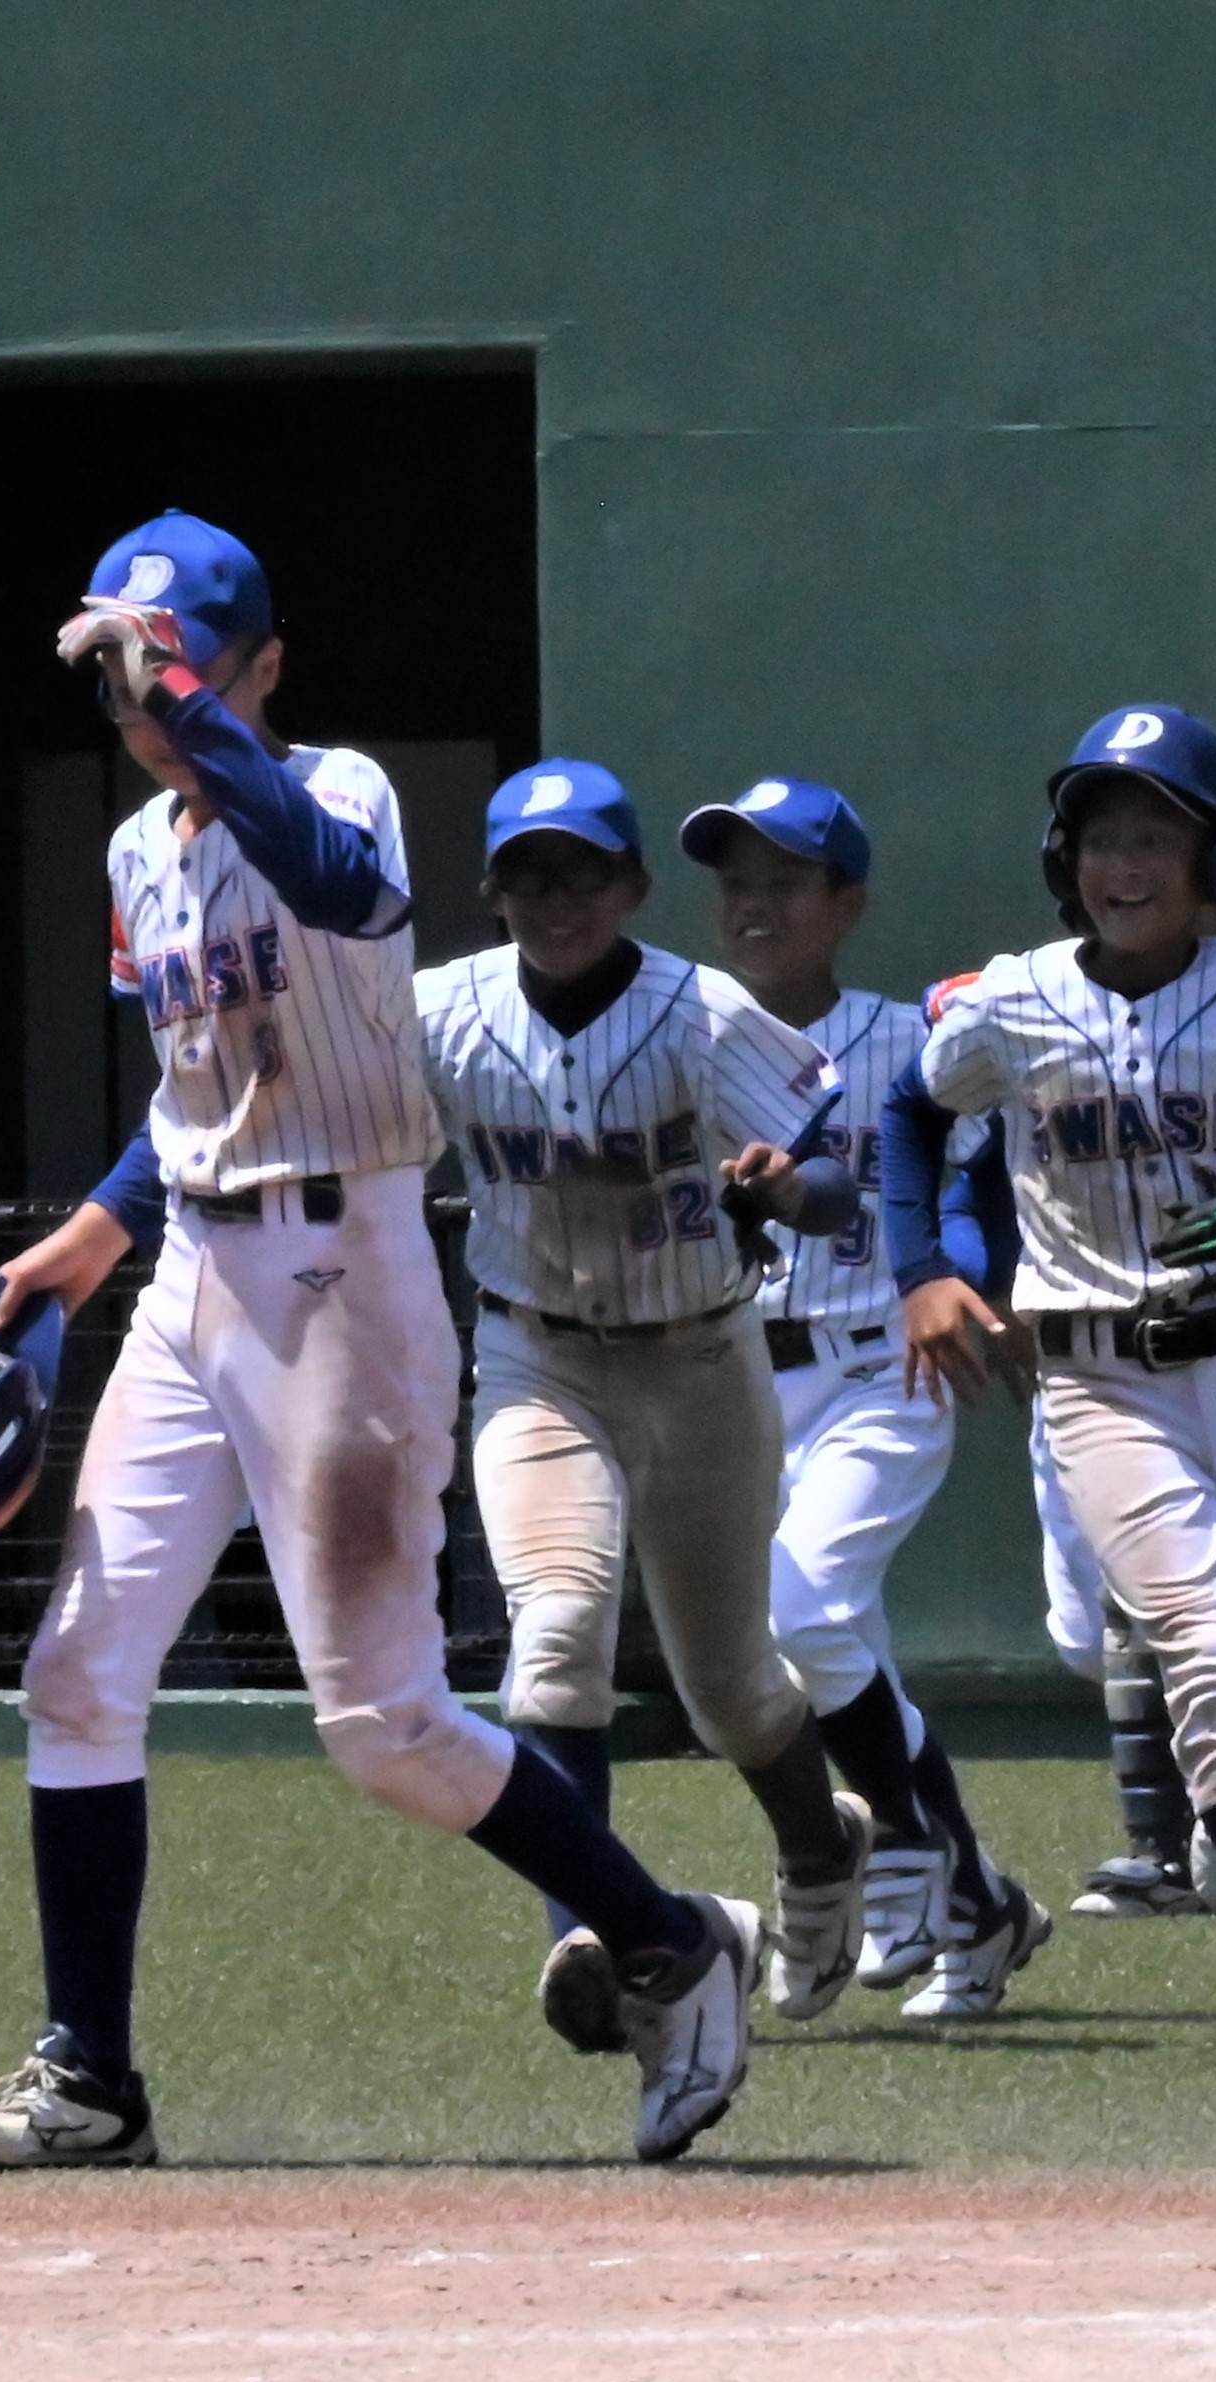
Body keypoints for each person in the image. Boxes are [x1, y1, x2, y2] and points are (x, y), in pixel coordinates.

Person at [0, 515, 763, 2172]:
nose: (141, 700)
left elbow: (315, 870)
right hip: (195, 1271)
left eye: (175, 663)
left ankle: (664, 1941)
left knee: (380, 1724)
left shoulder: (343, 788)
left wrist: (186, 703)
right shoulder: (132, 854)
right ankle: (90, 2076)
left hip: (339, 1274)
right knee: (76, 1669)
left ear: (260, 667)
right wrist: (100, 1226)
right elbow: (189, 1089)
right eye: (121, 666)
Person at [883, 706, 1216, 2068]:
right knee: (1205, 1647)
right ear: (1065, 858)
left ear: (1212, 854)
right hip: (1098, 1380)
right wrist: (918, 1268)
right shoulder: (1013, 997)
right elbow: (912, 1108)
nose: (1125, 864)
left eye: (1156, 836)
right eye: (1102, 836)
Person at [417, 763, 877, 2035]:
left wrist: (796, 1188)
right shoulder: (441, 1014)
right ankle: (591, 1928)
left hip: (696, 1353)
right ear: (491, 889)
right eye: (527, 872)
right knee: (553, 1630)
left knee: (729, 1685)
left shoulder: (701, 1013)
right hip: (536, 1355)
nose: (553, 897)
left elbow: (835, 1182)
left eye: (579, 872)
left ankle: (819, 1842)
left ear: (627, 886)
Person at [684, 776, 1048, 2018]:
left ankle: (924, 1860)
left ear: (847, 902)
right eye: (734, 879)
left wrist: (942, 1277)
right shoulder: (685, 1033)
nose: (752, 903)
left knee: (805, 1603)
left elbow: (967, 1189)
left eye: (784, 880)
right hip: (736, 1377)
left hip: (877, 1363)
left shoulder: (915, 1039)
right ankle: (954, 1899)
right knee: (836, 1641)